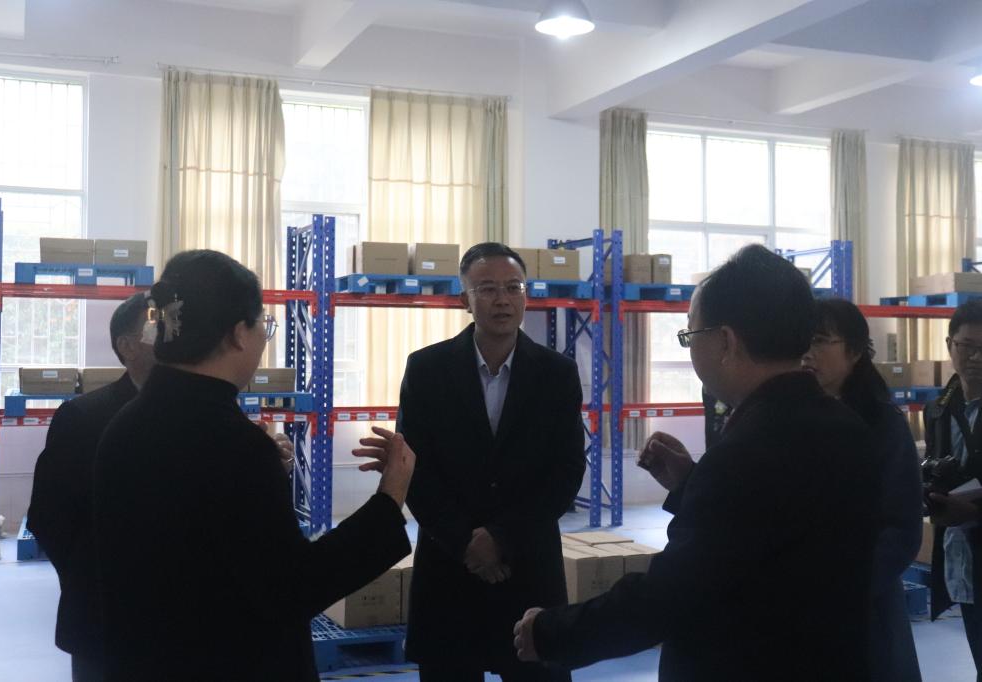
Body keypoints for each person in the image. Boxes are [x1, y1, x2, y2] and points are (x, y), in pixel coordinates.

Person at [513, 245, 879, 680]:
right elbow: (769, 534)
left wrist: (551, 632)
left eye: (691, 334)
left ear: (725, 341)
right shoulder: (847, 429)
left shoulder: (746, 451)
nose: (690, 348)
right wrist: (691, 483)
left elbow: (672, 595)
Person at [93, 250, 414, 681]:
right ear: (238, 334)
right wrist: (390, 499)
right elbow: (293, 588)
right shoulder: (235, 445)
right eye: (264, 323)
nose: (265, 337)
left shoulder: (124, 426)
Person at [398, 242, 585, 682]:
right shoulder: (426, 370)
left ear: (526, 296)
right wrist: (466, 542)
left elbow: (565, 471)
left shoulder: (557, 374)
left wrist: (502, 538)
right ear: (464, 299)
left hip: (527, 568)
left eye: (513, 287)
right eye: (487, 288)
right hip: (450, 569)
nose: (502, 299)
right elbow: (414, 469)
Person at [27, 293, 155, 681]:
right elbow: (48, 517)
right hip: (102, 619)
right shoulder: (83, 417)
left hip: (181, 622)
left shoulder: (198, 416)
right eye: (157, 327)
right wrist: (89, 580)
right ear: (127, 346)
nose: (172, 337)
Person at [801, 298, 922, 681]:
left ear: (854, 352)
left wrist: (846, 590)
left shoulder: (881, 424)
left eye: (820, 340)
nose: (807, 352)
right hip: (797, 604)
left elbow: (902, 528)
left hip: (864, 604)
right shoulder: (791, 416)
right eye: (802, 339)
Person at [924, 299, 982, 681]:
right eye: (967, 346)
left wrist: (979, 513)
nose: (976, 357)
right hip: (965, 566)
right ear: (949, 345)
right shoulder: (939, 410)